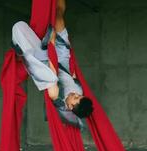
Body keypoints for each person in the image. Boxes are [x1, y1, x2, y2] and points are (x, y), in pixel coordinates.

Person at [11, 0, 93, 130]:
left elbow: (52, 72)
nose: (75, 94)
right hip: (62, 57)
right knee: (58, 18)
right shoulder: (79, 92)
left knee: (50, 80)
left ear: (71, 107)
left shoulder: (59, 101)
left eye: (75, 98)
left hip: (44, 64)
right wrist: (65, 50)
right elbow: (73, 74)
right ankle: (27, 50)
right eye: (79, 95)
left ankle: (25, 55)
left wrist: (52, 45)